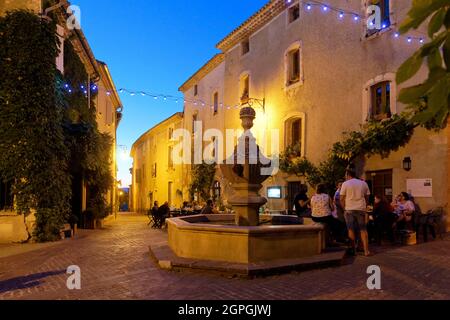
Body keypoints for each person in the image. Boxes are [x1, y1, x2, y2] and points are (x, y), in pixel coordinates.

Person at [340, 169, 372, 257]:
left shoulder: (345, 184)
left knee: (351, 230)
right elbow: (367, 197)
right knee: (363, 229)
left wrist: (344, 209)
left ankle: (353, 251)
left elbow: (341, 199)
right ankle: (366, 251)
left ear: (347, 175)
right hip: (361, 208)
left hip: (349, 209)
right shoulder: (363, 183)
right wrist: (365, 206)